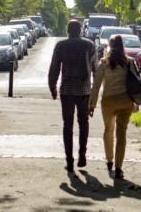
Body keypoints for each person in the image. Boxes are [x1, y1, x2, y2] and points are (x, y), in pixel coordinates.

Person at [48, 19, 96, 172]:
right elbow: (95, 68)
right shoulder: (89, 45)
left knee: (67, 125)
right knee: (83, 122)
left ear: (68, 30)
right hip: (84, 90)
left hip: (67, 90)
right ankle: (82, 151)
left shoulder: (61, 46)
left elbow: (54, 67)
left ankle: (69, 160)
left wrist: (53, 87)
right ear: (80, 30)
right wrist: (94, 91)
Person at [88, 34, 137, 180]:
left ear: (109, 46)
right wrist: (136, 102)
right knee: (121, 133)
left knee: (108, 129)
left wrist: (92, 104)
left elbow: (96, 85)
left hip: (108, 101)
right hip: (125, 101)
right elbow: (135, 83)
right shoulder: (129, 62)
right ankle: (118, 168)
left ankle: (109, 161)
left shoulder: (104, 63)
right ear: (123, 46)